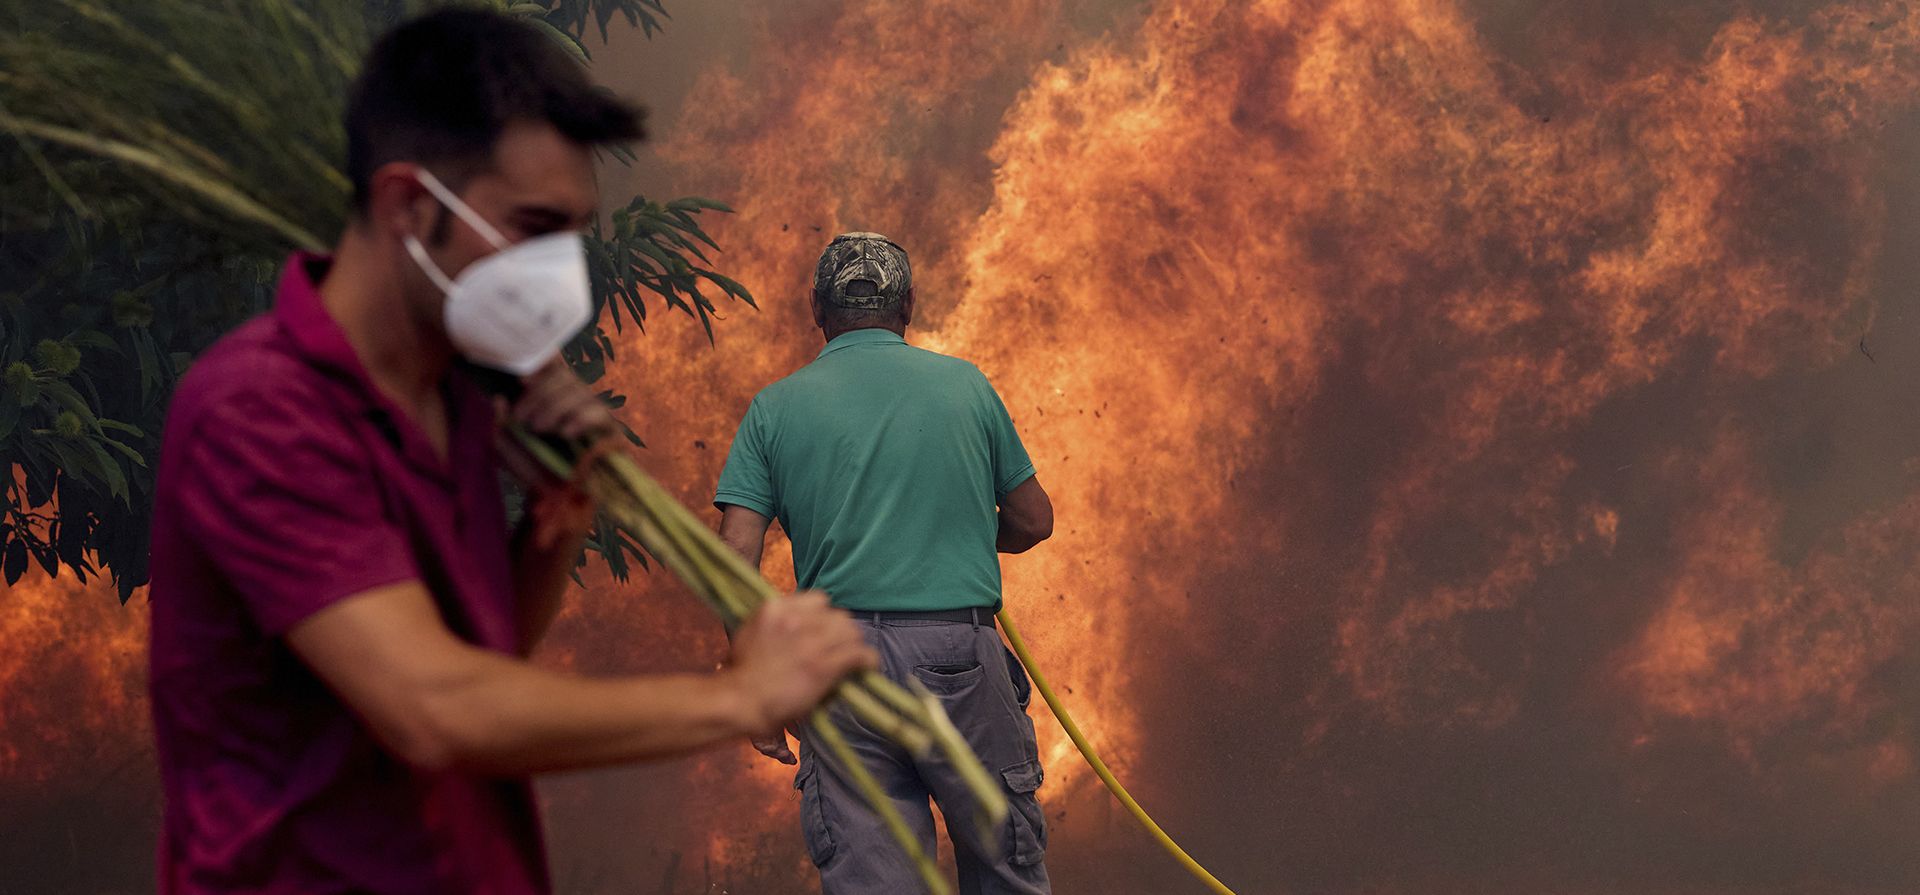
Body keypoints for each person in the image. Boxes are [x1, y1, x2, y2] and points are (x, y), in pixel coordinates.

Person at [145, 9, 875, 894]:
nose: (562, 268)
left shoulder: (456, 394)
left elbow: (482, 657)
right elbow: (436, 706)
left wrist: (552, 526)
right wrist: (742, 695)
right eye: (534, 226)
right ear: (409, 205)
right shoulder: (261, 409)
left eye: (574, 230)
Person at [714, 232, 1057, 894]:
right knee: (1003, 869)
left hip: (839, 665)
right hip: (960, 653)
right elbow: (1034, 520)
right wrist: (951, 536)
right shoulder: (967, 385)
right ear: (910, 306)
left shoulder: (774, 407)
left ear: (817, 308)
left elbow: (733, 560)